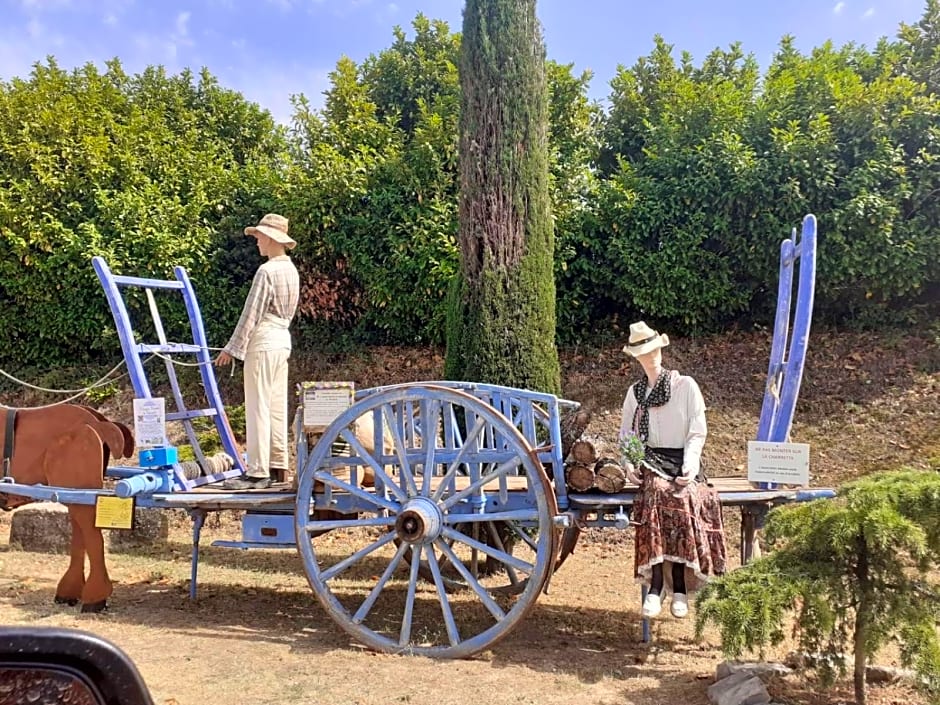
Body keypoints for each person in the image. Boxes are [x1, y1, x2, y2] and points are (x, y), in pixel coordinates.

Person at [618, 321, 727, 619]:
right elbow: (626, 435)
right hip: (651, 460)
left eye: (653, 351)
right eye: (643, 353)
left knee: (682, 496)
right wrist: (629, 464)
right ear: (637, 359)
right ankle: (656, 586)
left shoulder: (685, 386)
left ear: (661, 351)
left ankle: (679, 587)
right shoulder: (635, 393)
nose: (650, 357)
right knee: (656, 492)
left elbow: (697, 431)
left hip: (682, 460)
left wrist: (691, 464)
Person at [215, 213, 300, 490]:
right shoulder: (291, 270)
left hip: (263, 340)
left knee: (258, 406)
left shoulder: (267, 271)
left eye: (260, 237)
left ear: (273, 239)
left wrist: (232, 349)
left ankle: (257, 472)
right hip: (282, 339)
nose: (257, 243)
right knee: (277, 405)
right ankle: (278, 466)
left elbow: (251, 315)